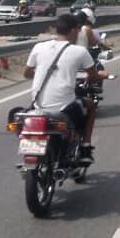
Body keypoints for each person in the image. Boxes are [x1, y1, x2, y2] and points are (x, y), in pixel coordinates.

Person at [24, 14, 99, 163]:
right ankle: (85, 147)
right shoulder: (80, 51)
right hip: (63, 110)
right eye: (78, 30)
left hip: (38, 106)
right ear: (72, 31)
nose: (78, 33)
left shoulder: (38, 47)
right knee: (90, 105)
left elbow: (27, 73)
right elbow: (93, 76)